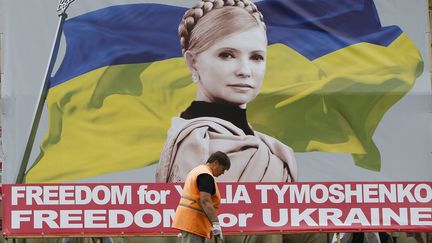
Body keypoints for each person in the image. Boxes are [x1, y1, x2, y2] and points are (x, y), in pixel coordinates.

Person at [156, 0, 297, 184]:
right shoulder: (196, 141)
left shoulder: (276, 152)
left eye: (256, 57)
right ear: (192, 62)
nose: (245, 71)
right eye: (227, 55)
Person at [172, 151, 231, 243]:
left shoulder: (198, 171)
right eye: (223, 169)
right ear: (216, 163)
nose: (222, 173)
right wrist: (215, 224)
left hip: (191, 223)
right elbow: (205, 201)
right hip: (193, 223)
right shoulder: (205, 175)